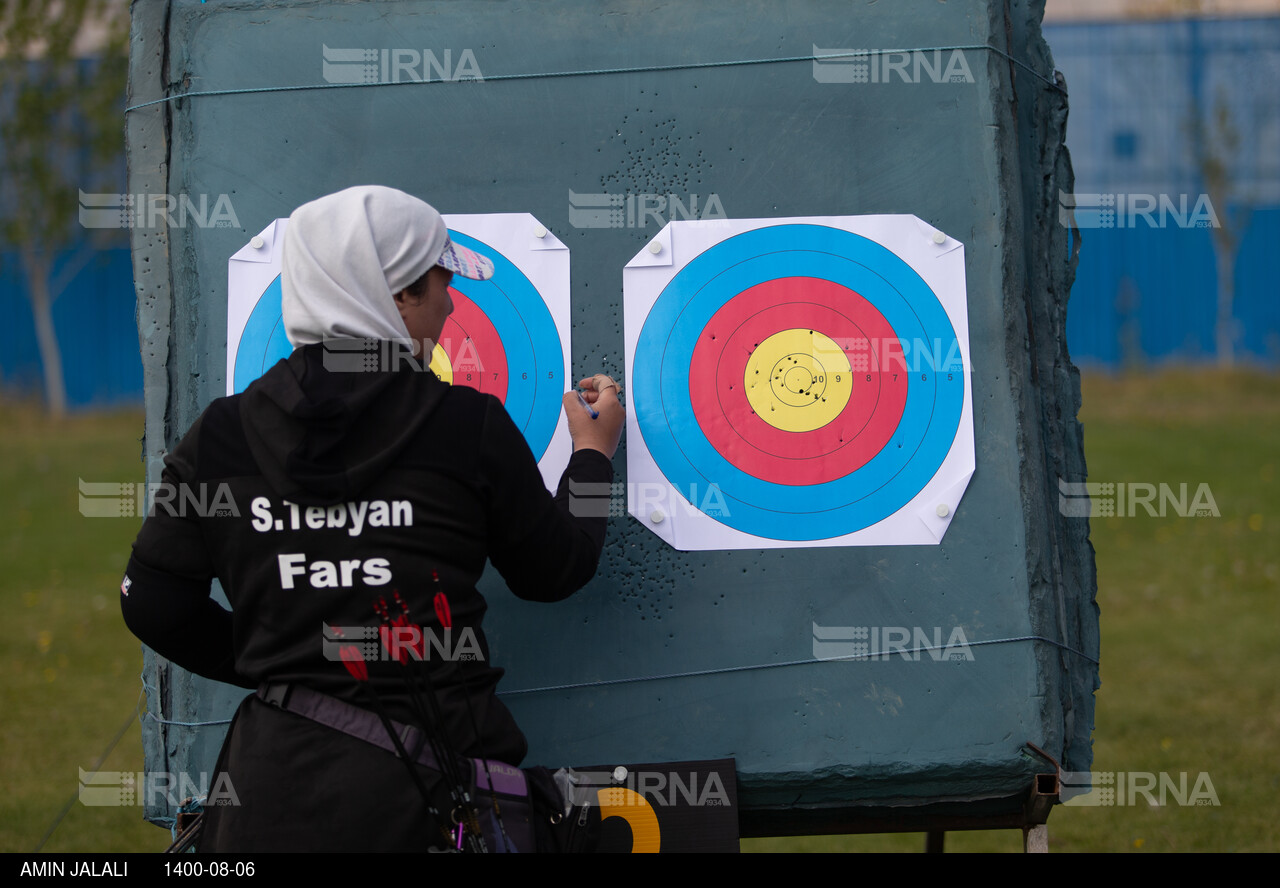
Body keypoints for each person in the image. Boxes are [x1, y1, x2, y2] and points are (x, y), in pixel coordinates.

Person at [120, 185, 624, 851]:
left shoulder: (221, 435)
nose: (450, 305)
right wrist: (591, 456)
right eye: (441, 283)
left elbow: (153, 602)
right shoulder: (463, 426)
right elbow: (554, 569)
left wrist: (287, 668)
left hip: (269, 790)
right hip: (428, 799)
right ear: (397, 296)